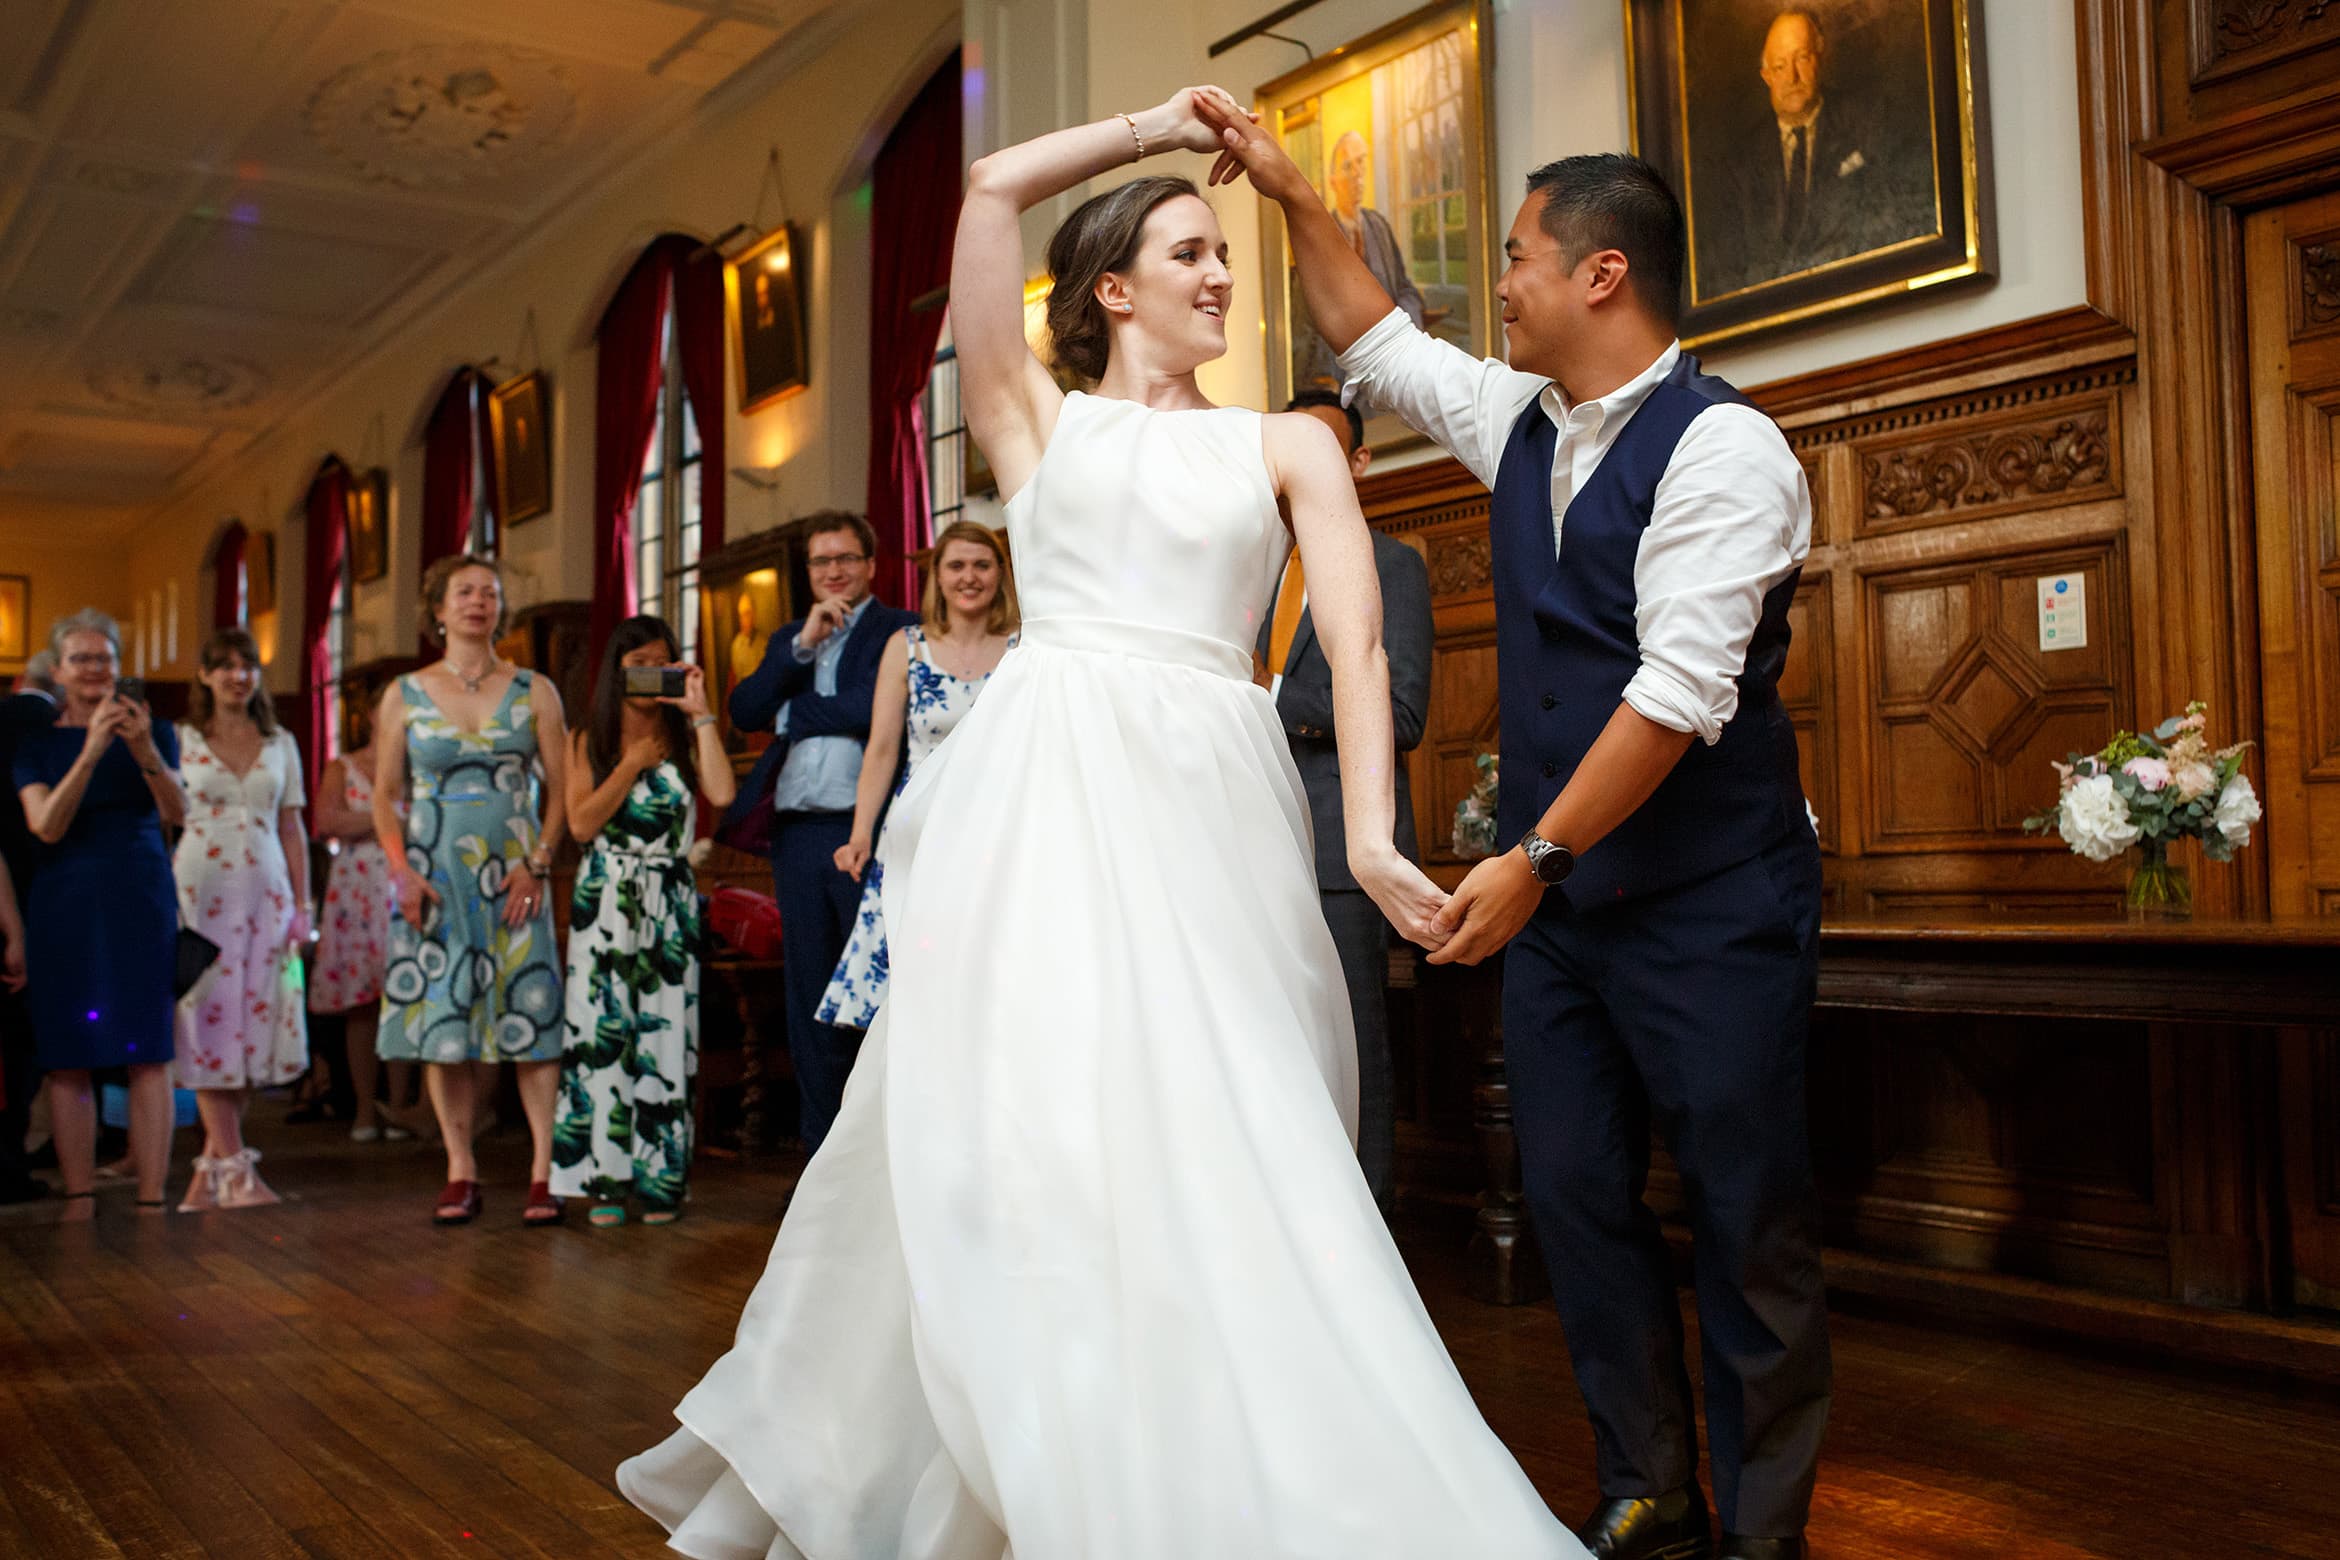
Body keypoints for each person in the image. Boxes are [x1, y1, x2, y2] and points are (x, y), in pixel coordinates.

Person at [619, 90, 1580, 1559]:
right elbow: (992, 187)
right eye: (1189, 254)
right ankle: (1033, 1427)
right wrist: (1151, 130)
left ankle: (1211, 1454)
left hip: (1211, 792)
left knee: (1219, 1115)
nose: (1219, 276)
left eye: (1226, 258)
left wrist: (1375, 841)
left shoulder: (1293, 446)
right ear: (1114, 288)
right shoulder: (1033, 424)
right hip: (1046, 794)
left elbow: (1366, 650)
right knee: (1035, 1123)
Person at [1210, 90, 1828, 1560]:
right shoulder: (1518, 421)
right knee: (1569, 1195)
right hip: (1561, 920)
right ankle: (1646, 1479)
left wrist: (1535, 856)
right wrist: (1293, 190)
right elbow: (1374, 337)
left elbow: (1679, 698)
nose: (1498, 283)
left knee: (1748, 1220)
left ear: (1600, 274)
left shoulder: (1728, 454)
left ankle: (1764, 1529)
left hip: (1711, 904)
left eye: (1517, 256)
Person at [1255, 390, 1433, 1209]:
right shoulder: (1250, 565)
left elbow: (1399, 713)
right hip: (1241, 835)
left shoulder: (1391, 564)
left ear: (1357, 463)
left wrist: (1267, 699)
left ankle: (1369, 1242)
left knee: (1355, 1048)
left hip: (1339, 852)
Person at [374, 555, 571, 1227]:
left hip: (518, 877)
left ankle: (545, 1170)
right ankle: (460, 1168)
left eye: (489, 593)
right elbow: (383, 796)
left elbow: (562, 789)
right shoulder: (403, 694)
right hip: (436, 877)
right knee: (444, 1022)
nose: (478, 602)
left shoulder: (535, 690)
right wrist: (401, 869)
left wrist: (538, 862)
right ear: (438, 608)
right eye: (465, 592)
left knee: (532, 1012)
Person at [723, 512, 918, 1153]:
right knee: (809, 996)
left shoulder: (900, 630)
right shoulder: (790, 637)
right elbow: (745, 710)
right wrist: (800, 650)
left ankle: (880, 1157)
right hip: (798, 834)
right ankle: (817, 1157)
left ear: (870, 564)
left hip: (869, 831)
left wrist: (793, 711)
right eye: (820, 562)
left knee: (874, 991)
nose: (833, 571)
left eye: (845, 558)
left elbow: (871, 709)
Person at [553, 616, 735, 1227]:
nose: (648, 677)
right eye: (637, 666)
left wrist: (701, 712)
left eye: (661, 663)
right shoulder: (591, 737)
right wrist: (630, 765)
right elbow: (579, 825)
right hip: (606, 895)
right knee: (603, 1035)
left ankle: (661, 1181)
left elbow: (723, 793)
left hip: (668, 895)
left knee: (664, 1035)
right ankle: (604, 1183)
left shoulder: (684, 734)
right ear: (617, 672)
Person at [13, 610, 185, 1220]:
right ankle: (79, 1193)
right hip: (64, 902)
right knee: (69, 1051)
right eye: (82, 658)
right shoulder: (35, 745)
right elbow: (46, 825)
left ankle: (151, 1194)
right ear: (57, 671)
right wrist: (89, 752)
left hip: (139, 898)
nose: (95, 669)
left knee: (148, 1046)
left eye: (105, 658)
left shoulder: (157, 732)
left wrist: (140, 749)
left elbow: (179, 812)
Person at [818, 519, 1019, 1031]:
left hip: (1000, 826)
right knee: (916, 976)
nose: (968, 577)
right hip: (921, 828)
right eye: (955, 565)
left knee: (990, 971)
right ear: (938, 577)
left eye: (981, 564)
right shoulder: (905, 646)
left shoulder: (1023, 648)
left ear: (1000, 574)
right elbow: (883, 750)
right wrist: (861, 832)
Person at [172, 628, 309, 1210]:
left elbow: (292, 826)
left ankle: (211, 1171)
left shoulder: (280, 742)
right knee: (208, 1020)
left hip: (268, 893)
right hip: (200, 892)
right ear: (203, 676)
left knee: (255, 1025)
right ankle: (234, 1167)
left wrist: (305, 906)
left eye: (247, 664)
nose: (237, 674)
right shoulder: (179, 740)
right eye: (223, 665)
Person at [1697, 8, 1933, 300]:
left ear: (1821, 59)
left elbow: (1896, 219)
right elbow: (1730, 271)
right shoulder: (1740, 165)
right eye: (1780, 66)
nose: (1793, 77)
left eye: (1802, 58)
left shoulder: (1868, 124)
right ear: (1766, 76)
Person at [309, 709, 423, 1143]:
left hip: (404, 883)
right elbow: (330, 821)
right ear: (373, 715)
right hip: (357, 889)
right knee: (362, 1003)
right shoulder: (345, 767)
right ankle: (362, 1106)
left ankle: (398, 1105)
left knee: (404, 996)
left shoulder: (418, 765)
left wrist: (372, 820)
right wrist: (390, 817)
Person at [1293, 130, 1426, 395]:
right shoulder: (1319, 239)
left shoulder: (1379, 227)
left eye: (1361, 162)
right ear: (1333, 181)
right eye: (1348, 166)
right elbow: (1305, 325)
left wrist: (1402, 337)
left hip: (1392, 372)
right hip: (1342, 380)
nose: (1357, 173)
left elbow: (1406, 290)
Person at [0, 653, 58, 1204]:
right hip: (46, 888)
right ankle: (10, 1163)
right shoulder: (57, 730)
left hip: (9, 893)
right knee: (20, 1046)